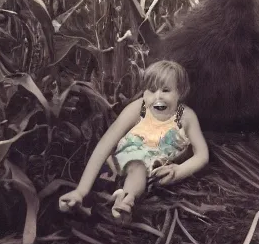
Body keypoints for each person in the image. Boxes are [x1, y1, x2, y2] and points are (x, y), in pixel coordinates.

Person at [58, 60, 209, 223]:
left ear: (181, 92)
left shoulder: (186, 117)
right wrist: (81, 190)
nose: (157, 96)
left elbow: (202, 154)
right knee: (137, 167)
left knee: (141, 170)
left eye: (166, 90)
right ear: (144, 92)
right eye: (151, 90)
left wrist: (178, 171)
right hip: (121, 163)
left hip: (155, 170)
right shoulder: (139, 109)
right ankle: (125, 201)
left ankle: (122, 197)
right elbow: (104, 145)